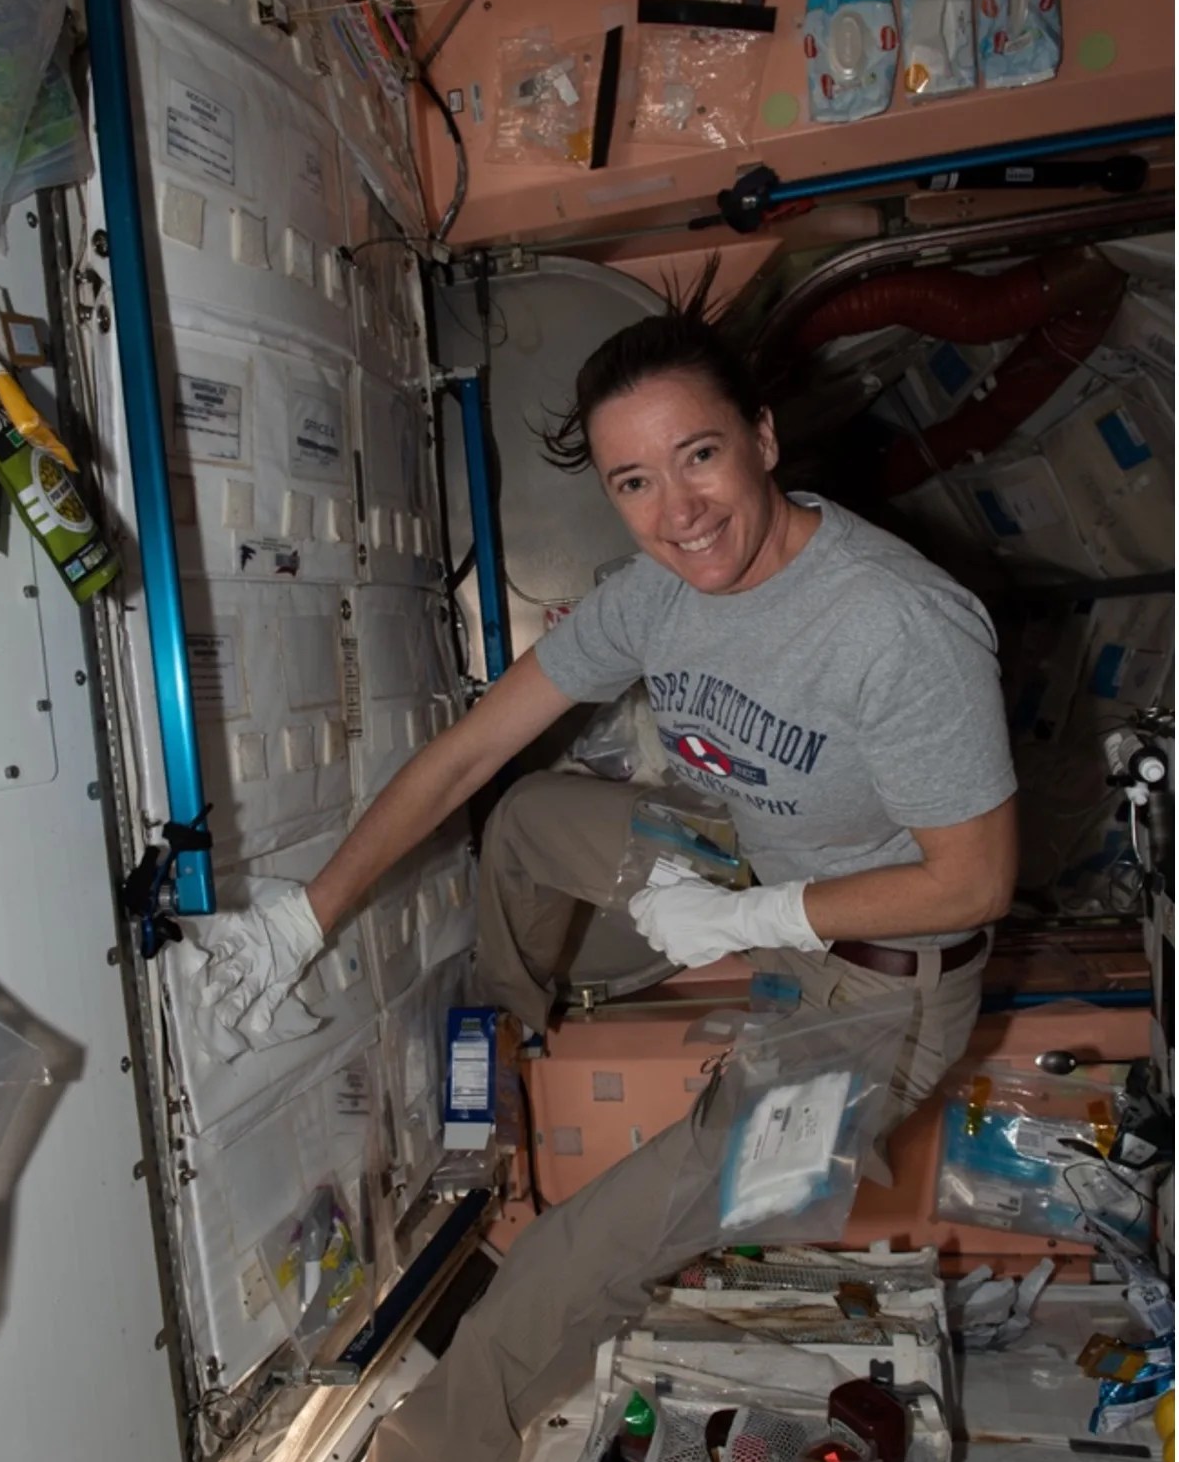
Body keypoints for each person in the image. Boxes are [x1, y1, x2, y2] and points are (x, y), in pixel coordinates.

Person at [273, 262, 1018, 1131]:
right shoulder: (651, 595)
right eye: (634, 481)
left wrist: (745, 916)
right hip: (749, 853)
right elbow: (470, 751)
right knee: (525, 817)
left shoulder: (898, 623)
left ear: (762, 440)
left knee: (610, 1239)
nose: (679, 513)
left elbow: (974, 883)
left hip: (884, 966)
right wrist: (300, 917)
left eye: (697, 455)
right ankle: (511, 1030)